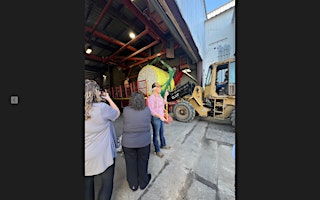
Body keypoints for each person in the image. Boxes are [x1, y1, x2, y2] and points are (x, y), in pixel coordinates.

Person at [84, 79, 121, 200]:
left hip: (86, 156)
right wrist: (109, 98)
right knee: (106, 185)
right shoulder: (101, 108)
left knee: (87, 187)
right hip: (103, 155)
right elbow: (117, 113)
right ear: (96, 92)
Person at [121, 91, 152, 191]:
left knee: (130, 163)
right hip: (144, 142)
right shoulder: (147, 110)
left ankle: (133, 184)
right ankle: (143, 182)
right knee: (143, 162)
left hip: (128, 143)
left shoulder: (126, 110)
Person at [147, 82, 171, 158]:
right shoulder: (151, 98)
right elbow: (151, 111)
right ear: (154, 88)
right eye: (159, 87)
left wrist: (165, 96)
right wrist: (159, 116)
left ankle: (163, 145)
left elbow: (163, 103)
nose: (160, 88)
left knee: (162, 132)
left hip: (161, 117)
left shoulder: (159, 96)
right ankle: (157, 150)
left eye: (160, 87)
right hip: (155, 118)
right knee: (156, 134)